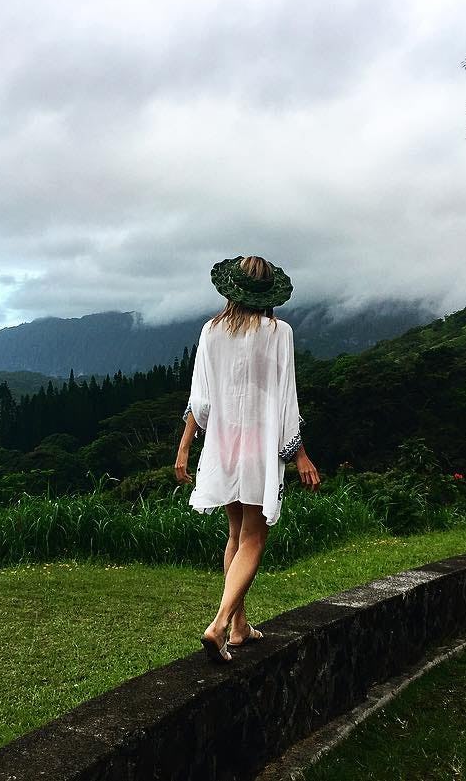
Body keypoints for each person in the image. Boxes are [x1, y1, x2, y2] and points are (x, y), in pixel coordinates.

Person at [175, 255, 321, 664]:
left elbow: (200, 400)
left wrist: (186, 445)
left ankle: (240, 627)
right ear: (268, 294)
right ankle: (220, 623)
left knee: (236, 533)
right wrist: (300, 454)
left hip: (223, 443)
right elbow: (286, 398)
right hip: (259, 444)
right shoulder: (278, 331)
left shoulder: (211, 330)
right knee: (255, 536)